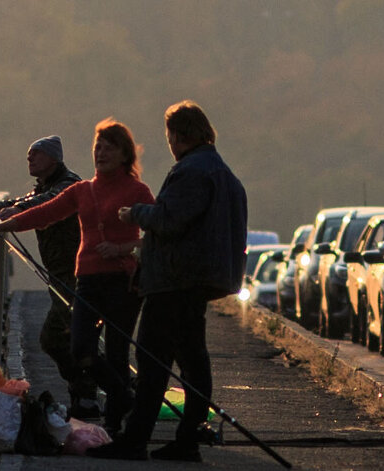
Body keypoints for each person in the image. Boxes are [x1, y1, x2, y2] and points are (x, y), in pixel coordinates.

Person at [89, 100, 247, 462]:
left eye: (170, 136)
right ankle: (186, 439)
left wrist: (136, 213)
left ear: (178, 135)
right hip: (198, 281)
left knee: (151, 359)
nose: (170, 144)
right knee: (192, 359)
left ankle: (135, 440)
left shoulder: (191, 171)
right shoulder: (223, 173)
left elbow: (170, 219)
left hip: (175, 282)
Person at [0, 119, 155, 431]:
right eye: (97, 147)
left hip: (122, 282)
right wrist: (3, 224)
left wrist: (124, 248)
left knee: (115, 352)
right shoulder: (82, 190)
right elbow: (44, 212)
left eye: (109, 147)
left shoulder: (137, 190)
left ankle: (115, 430)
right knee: (80, 347)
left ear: (125, 154)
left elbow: (156, 235)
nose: (100, 152)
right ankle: (123, 396)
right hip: (86, 279)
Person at [0, 135, 88, 413]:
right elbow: (27, 199)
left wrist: (13, 213)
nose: (30, 158)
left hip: (77, 273)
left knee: (65, 337)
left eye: (36, 154)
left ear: (53, 159)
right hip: (61, 274)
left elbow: (46, 203)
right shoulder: (45, 186)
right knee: (66, 337)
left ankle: (92, 394)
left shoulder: (68, 184)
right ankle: (88, 394)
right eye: (28, 154)